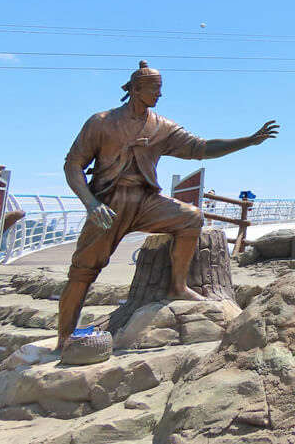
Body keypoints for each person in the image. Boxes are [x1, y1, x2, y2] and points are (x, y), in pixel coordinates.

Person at [58, 61, 279, 348]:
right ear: (135, 89)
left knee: (191, 217)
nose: (159, 95)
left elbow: (201, 148)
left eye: (160, 89)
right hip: (108, 205)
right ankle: (64, 337)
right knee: (83, 271)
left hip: (146, 201)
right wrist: (90, 203)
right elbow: (73, 164)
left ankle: (178, 286)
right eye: (154, 89)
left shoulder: (161, 126)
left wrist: (247, 141)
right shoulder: (101, 122)